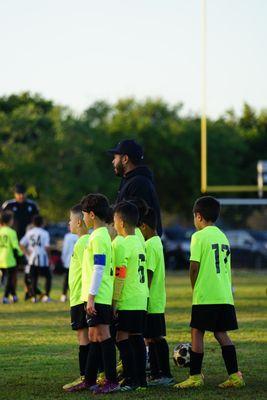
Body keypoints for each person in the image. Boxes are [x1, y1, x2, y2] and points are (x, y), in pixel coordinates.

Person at [174, 196, 245, 389]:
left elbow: (194, 266)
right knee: (221, 333)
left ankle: (195, 376)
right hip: (224, 294)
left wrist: (193, 286)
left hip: (206, 294)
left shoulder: (198, 236)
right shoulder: (223, 236)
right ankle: (235, 375)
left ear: (198, 216)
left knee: (197, 331)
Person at [80, 193, 119, 394]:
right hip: (97, 294)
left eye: (84, 214)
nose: (82, 218)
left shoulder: (100, 236)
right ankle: (89, 380)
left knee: (103, 335)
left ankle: (112, 380)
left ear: (92, 215)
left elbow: (99, 267)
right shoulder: (99, 235)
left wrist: (92, 297)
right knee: (94, 335)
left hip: (99, 295)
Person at [113, 201, 148, 391]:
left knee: (121, 337)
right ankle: (141, 380)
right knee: (137, 338)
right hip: (142, 297)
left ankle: (130, 379)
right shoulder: (139, 242)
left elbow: (120, 274)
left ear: (122, 223)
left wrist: (114, 302)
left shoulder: (124, 244)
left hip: (128, 298)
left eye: (115, 220)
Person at [140, 207, 173, 386]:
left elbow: (149, 274)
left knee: (156, 337)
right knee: (151, 337)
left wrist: (143, 296)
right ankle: (155, 373)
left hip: (151, 300)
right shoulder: (157, 241)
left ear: (144, 226)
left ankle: (164, 374)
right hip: (156, 299)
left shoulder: (150, 245)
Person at [108, 139, 162, 236]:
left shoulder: (139, 183)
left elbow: (135, 220)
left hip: (138, 247)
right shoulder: (129, 180)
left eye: (115, 157)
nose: (113, 161)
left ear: (125, 159)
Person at [62, 205, 90, 392]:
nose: (68, 223)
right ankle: (93, 375)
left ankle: (85, 377)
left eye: (70, 220)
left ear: (78, 222)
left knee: (83, 337)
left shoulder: (82, 243)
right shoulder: (86, 241)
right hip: (81, 296)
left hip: (81, 298)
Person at [1, 183, 39, 300]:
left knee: (29, 269)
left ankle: (29, 292)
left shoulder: (32, 205)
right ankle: (13, 293)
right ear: (15, 194)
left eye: (23, 194)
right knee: (13, 270)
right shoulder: (8, 205)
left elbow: (37, 221)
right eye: (19, 194)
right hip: (12, 243)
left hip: (28, 243)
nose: (21, 196)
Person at [20, 215, 51, 302]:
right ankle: (46, 296)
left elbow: (21, 244)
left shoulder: (29, 232)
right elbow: (47, 247)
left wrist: (27, 253)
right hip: (43, 259)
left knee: (34, 278)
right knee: (48, 277)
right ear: (42, 223)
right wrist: (49, 257)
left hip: (32, 258)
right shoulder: (44, 233)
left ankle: (33, 297)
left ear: (33, 223)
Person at [0, 210, 23, 303]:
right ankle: (5, 297)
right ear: (9, 220)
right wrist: (21, 256)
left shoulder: (0, 231)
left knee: (7, 278)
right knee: (10, 279)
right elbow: (15, 246)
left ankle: (14, 295)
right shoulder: (11, 232)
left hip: (0, 258)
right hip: (8, 259)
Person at [60, 230, 78, 302]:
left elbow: (65, 249)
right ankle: (75, 295)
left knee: (66, 279)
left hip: (68, 261)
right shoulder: (81, 236)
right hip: (78, 263)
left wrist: (63, 259)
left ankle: (64, 295)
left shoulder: (67, 236)